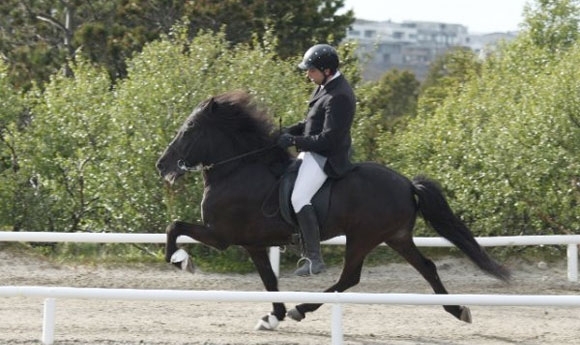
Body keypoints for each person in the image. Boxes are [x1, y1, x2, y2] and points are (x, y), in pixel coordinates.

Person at [277, 44, 356, 276]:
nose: (307, 74)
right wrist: (290, 130)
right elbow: (313, 122)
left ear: (327, 70)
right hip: (314, 150)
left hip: (327, 156)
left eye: (311, 70)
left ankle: (314, 258)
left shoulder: (339, 95)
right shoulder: (325, 86)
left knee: (300, 196)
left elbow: (328, 138)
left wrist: (294, 141)